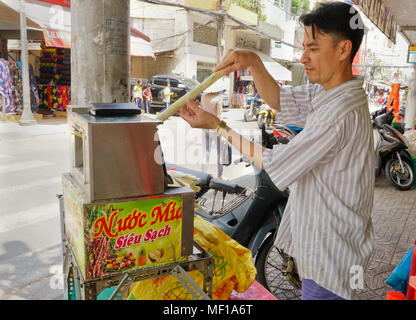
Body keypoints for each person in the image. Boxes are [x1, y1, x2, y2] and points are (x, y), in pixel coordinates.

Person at [178, 1, 374, 300]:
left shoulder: (339, 111)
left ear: (343, 50)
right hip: (335, 248)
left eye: (312, 48)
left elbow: (274, 162)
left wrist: (218, 126)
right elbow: (280, 99)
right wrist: (253, 62)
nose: (303, 57)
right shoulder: (329, 91)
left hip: (330, 257)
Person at [199, 80, 226, 179]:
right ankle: (220, 175)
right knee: (219, 153)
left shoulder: (203, 97)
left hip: (204, 127)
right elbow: (219, 117)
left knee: (205, 152)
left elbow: (201, 111)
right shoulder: (218, 99)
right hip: (215, 128)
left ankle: (204, 174)